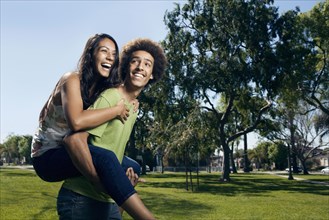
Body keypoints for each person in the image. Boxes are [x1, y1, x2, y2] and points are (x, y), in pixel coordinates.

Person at [30, 34, 146, 217]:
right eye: (104, 51)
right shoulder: (71, 79)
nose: (110, 57)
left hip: (67, 150)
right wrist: (116, 110)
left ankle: (114, 212)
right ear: (91, 55)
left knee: (133, 167)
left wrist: (131, 99)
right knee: (106, 159)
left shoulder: (100, 89)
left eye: (114, 54)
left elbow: (122, 92)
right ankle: (104, 189)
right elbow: (76, 122)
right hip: (47, 157)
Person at [57, 38, 167, 220]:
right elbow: (76, 139)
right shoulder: (111, 97)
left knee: (134, 167)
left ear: (152, 74)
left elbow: (114, 154)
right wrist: (99, 183)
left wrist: (122, 186)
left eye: (147, 64)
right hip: (81, 198)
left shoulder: (133, 108)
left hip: (107, 202)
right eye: (135, 61)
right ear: (126, 67)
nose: (140, 67)